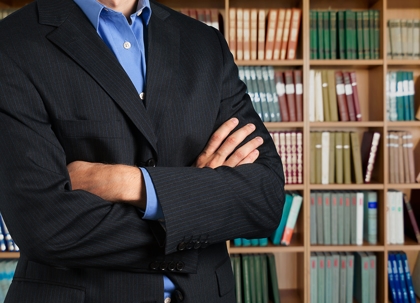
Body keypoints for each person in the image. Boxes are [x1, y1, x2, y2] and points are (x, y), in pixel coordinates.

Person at [0, 0, 285, 302]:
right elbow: (46, 228)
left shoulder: (205, 42)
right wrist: (197, 207)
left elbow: (265, 200)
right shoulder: (12, 43)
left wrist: (126, 182)